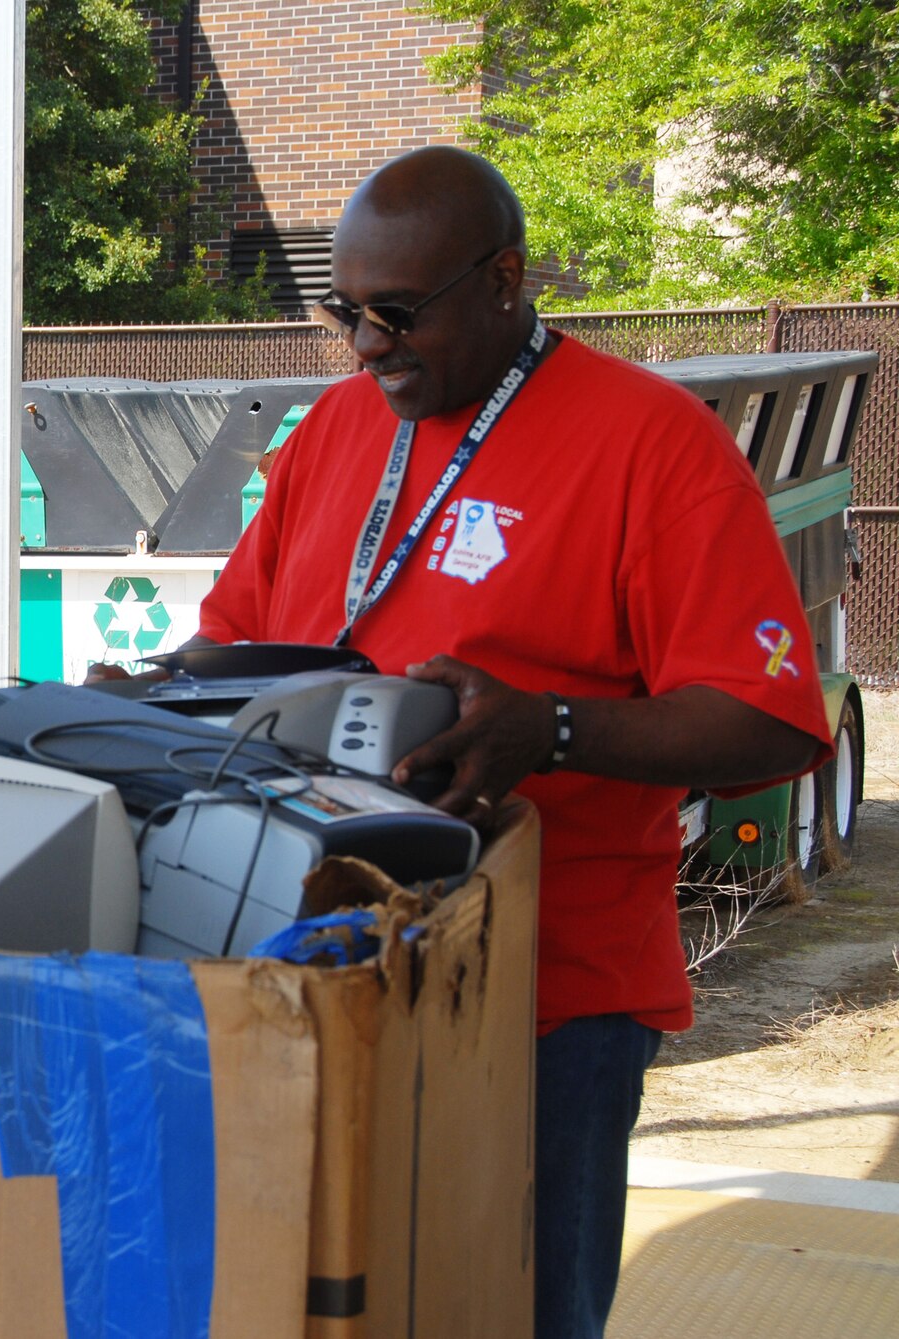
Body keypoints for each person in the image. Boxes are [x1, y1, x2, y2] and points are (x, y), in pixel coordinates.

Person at [166, 148, 832, 1338]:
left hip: (543, 996)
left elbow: (772, 719)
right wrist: (152, 690)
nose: (366, 345)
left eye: (397, 313)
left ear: (505, 280)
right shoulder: (332, 430)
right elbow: (236, 637)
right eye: (344, 314)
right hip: (310, 965)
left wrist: (550, 728)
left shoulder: (651, 443)